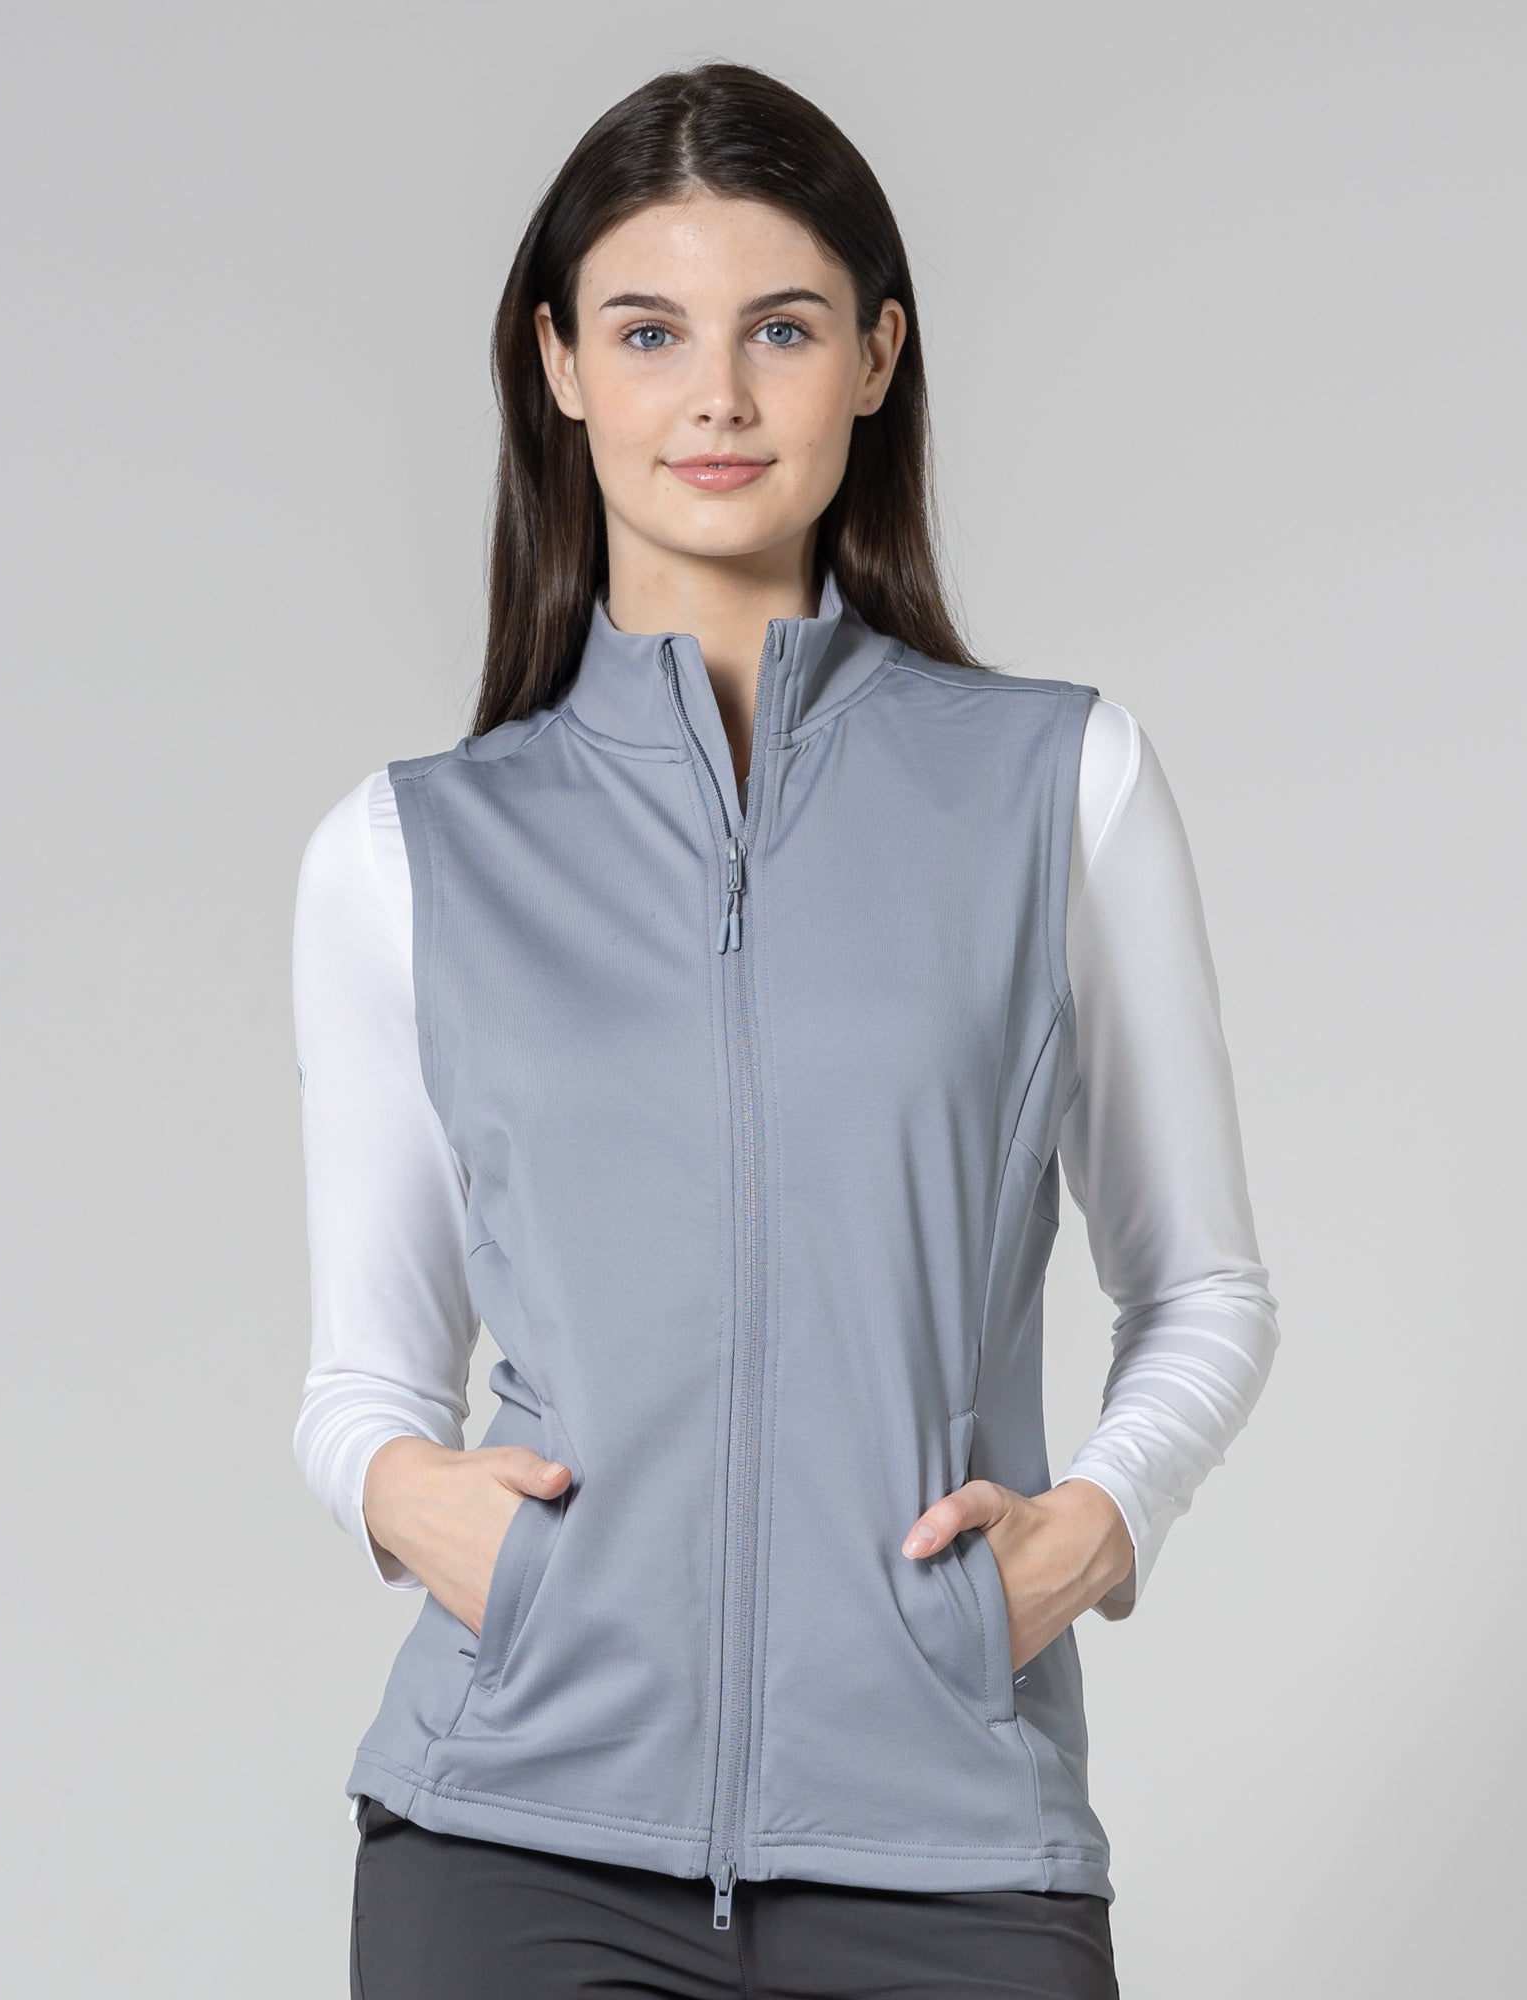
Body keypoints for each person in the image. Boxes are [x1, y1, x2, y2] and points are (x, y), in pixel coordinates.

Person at [291, 59, 1280, 2000]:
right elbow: (363, 1379)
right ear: (561, 364)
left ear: (877, 357)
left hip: (948, 1838)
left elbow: (1205, 1290)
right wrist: (406, 1498)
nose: (719, 398)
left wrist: (1095, 1526)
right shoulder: (406, 853)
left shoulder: (1058, 786)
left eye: (784, 328)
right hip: (515, 1842)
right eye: (650, 331)